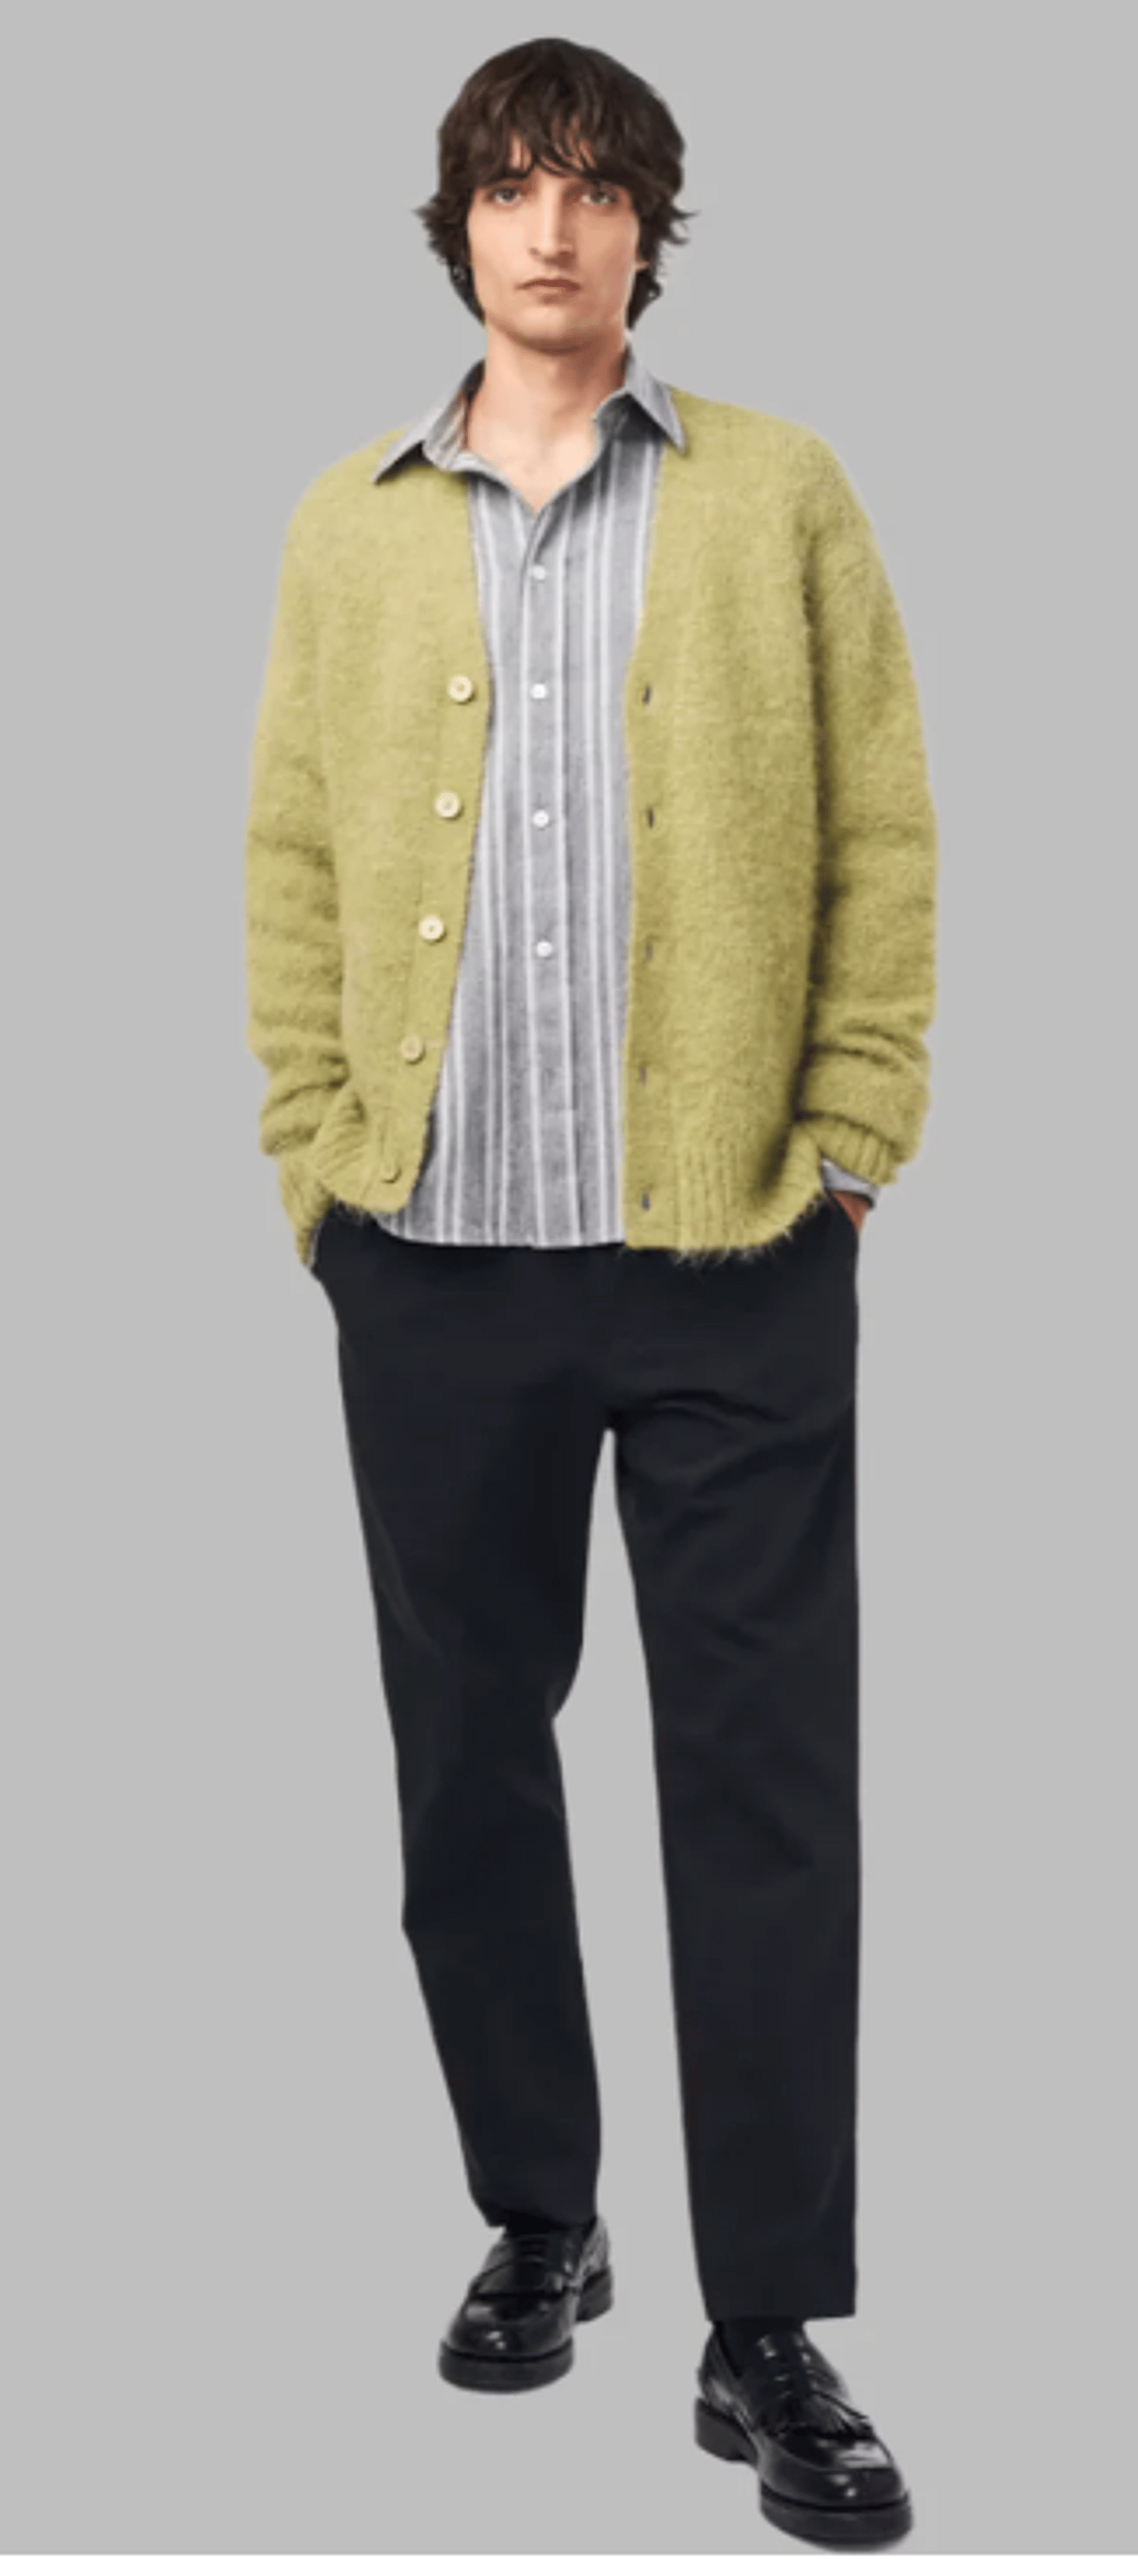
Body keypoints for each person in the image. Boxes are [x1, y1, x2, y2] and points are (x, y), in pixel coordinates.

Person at [243, 35, 937, 2552]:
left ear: (651, 227)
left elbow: (881, 822)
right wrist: (316, 1162)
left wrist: (849, 1141)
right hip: (432, 1253)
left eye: (597, 187)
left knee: (763, 1783)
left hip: (733, 1248)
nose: (551, 228)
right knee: (466, 1761)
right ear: (456, 228)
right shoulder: (348, 524)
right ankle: (541, 2215)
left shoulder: (777, 490)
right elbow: (293, 849)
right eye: (510, 188)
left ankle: (769, 2330)